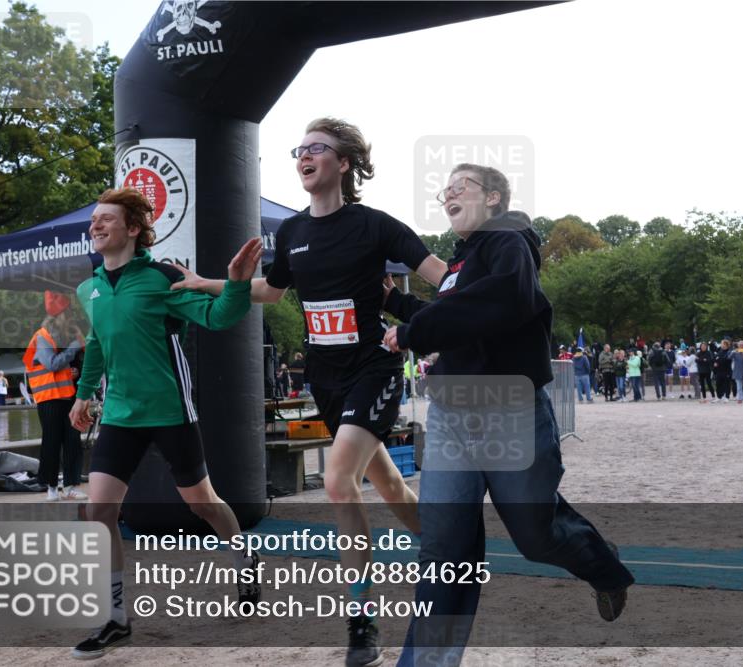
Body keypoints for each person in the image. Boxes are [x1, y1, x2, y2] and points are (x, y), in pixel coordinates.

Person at [172, 118, 448, 666]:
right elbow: (271, 292)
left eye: (317, 148)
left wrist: (460, 312)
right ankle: (447, 551)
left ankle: (361, 621)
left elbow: (445, 276)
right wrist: (209, 282)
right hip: (325, 377)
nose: (304, 155)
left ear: (343, 164)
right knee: (388, 483)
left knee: (340, 481)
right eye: (299, 149)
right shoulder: (295, 231)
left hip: (373, 367)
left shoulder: (376, 225)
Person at [381, 163, 634, 667]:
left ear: (493, 197)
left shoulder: (509, 239)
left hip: (510, 413)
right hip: (452, 415)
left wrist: (413, 331)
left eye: (460, 186)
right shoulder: (462, 262)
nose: (448, 194)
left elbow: (501, 300)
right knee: (443, 551)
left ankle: (603, 567)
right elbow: (459, 317)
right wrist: (398, 304)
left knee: (536, 536)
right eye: (444, 190)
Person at [67, 188, 263, 660]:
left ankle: (244, 558)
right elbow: (97, 344)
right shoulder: (88, 289)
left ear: (133, 229)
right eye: (93, 220)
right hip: (120, 415)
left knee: (203, 504)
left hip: (171, 411)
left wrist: (236, 283)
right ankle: (115, 619)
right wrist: (83, 394)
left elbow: (219, 317)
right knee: (99, 512)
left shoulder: (163, 278)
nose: (95, 226)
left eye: (106, 219)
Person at [24, 291, 87, 502]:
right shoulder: (42, 336)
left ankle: (70, 486)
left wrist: (74, 370)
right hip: (49, 398)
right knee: (52, 441)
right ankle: (51, 487)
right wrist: (75, 347)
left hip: (68, 396)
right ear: (61, 316)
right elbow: (52, 364)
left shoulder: (65, 337)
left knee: (73, 441)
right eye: (69, 313)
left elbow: (65, 365)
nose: (72, 318)